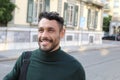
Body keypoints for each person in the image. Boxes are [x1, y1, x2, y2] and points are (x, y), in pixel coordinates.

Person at [3, 12, 85, 80]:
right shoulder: (25, 59)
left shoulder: (75, 68)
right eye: (41, 30)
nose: (44, 35)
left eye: (50, 30)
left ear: (62, 33)